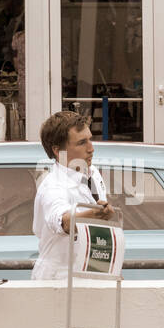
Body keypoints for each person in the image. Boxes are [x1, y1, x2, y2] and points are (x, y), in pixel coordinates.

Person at [32, 111, 115, 281]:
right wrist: (95, 214)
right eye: (82, 143)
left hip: (88, 274)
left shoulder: (93, 173)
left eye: (90, 139)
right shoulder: (52, 186)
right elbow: (64, 222)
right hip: (59, 283)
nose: (91, 148)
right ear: (57, 150)